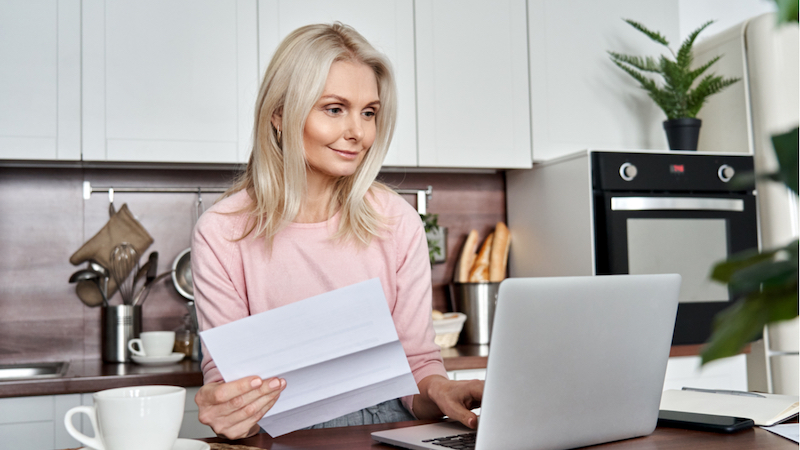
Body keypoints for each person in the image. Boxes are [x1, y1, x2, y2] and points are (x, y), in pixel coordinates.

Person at [191, 22, 483, 440]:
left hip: (388, 431)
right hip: (279, 437)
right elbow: (227, 380)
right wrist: (229, 408)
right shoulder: (222, 233)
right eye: (334, 109)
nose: (358, 132)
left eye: (369, 112)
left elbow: (416, 365)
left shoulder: (396, 222)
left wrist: (440, 390)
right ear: (279, 114)